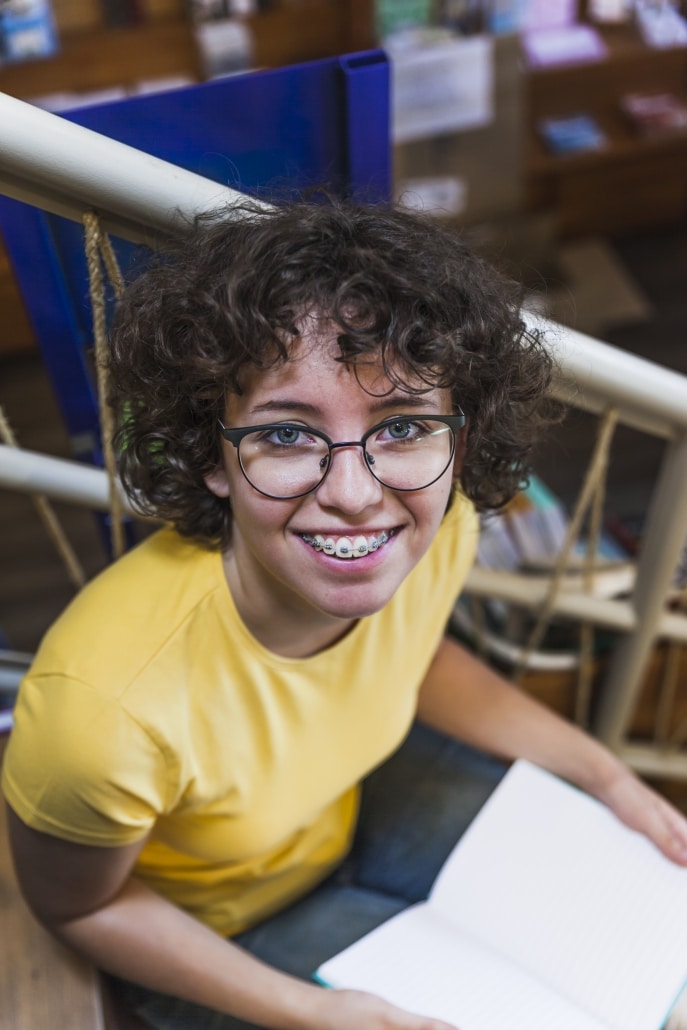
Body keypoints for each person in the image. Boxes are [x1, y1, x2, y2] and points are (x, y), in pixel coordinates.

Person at [3, 197, 687, 1030]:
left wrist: (604, 775)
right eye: (287, 436)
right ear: (213, 455)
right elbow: (78, 910)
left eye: (401, 427)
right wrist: (312, 1013)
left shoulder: (444, 531)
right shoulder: (99, 716)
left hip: (356, 805)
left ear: (456, 445)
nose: (356, 495)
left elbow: (417, 658)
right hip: (225, 931)